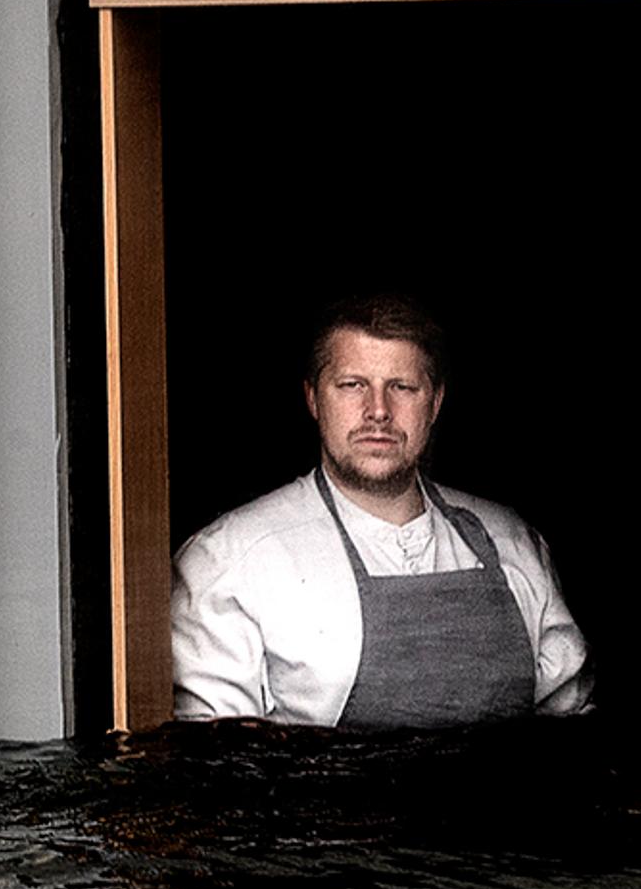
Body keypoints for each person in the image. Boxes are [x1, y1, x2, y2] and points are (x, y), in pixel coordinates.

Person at [168, 294, 593, 727]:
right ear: (314, 399)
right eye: (353, 385)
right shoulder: (229, 563)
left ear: (436, 402)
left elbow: (568, 738)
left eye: (402, 387)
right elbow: (216, 773)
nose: (378, 412)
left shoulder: (514, 544)